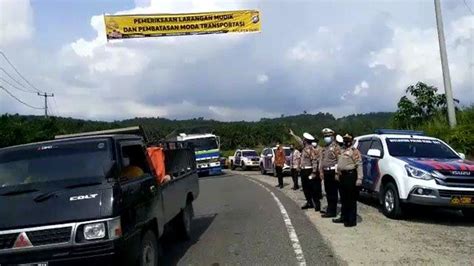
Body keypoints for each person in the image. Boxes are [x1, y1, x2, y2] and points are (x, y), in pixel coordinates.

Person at [333, 133, 363, 227]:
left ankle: (351, 220)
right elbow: (339, 163)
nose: (346, 142)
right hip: (342, 176)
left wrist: (359, 178)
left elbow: (359, 165)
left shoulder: (354, 151)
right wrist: (337, 173)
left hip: (350, 176)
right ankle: (344, 217)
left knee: (351, 199)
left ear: (351, 141)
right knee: (343, 198)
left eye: (348, 140)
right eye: (345, 140)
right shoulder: (342, 150)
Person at [289, 129, 322, 211]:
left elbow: (314, 161)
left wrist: (314, 172)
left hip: (309, 170)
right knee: (305, 188)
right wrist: (293, 135)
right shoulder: (304, 148)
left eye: (304, 139)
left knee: (313, 189)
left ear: (306, 141)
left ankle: (317, 204)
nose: (302, 141)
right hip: (304, 171)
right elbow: (299, 140)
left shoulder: (311, 150)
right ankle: (309, 202)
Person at [319, 128, 341, 218]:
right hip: (326, 171)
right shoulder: (325, 148)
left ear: (332, 137)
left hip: (333, 171)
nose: (326, 138)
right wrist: (321, 172)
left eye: (328, 136)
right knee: (328, 192)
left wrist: (337, 173)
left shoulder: (336, 147)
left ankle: (332, 211)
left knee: (333, 193)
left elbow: (339, 161)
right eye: (325, 136)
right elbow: (322, 160)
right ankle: (329, 209)